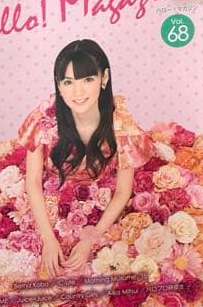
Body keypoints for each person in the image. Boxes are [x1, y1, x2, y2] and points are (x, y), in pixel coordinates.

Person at [20, 39, 153, 277]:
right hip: (47, 201)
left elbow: (123, 191)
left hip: (103, 204)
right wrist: (48, 239)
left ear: (104, 78)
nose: (77, 92)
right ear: (58, 85)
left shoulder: (121, 125)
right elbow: (33, 182)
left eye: (87, 80)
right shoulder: (43, 119)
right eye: (68, 82)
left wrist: (91, 239)